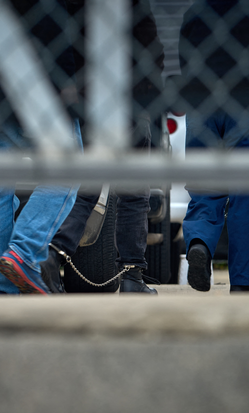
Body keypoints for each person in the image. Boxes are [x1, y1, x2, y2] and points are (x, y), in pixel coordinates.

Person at [0, 0, 83, 295]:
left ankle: (0, 291)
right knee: (68, 171)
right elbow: (67, 24)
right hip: (41, 86)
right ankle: (24, 252)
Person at [40, 0, 165, 295]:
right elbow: (151, 45)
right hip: (128, 97)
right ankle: (132, 276)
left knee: (89, 183)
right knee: (134, 192)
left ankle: (55, 252)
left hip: (88, 97)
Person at [178, 0, 249, 294]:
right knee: (248, 193)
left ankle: (199, 243)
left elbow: (182, 61)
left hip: (201, 102)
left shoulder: (196, 11)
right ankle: (245, 279)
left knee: (204, 186)